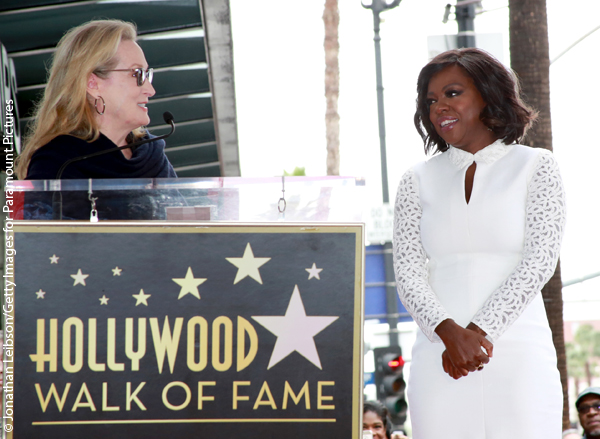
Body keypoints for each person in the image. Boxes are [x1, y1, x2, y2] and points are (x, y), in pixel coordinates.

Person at [392, 48, 565, 438]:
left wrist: (479, 333)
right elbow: (407, 273)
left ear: (487, 94)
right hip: (440, 356)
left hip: (519, 353)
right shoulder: (415, 180)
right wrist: (449, 335)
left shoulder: (536, 166)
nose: (439, 107)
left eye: (452, 93)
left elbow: (538, 262)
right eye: (431, 100)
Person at [15, 19, 176, 180]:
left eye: (147, 75)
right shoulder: (57, 163)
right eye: (137, 74)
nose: (151, 90)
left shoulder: (153, 157)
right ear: (92, 84)